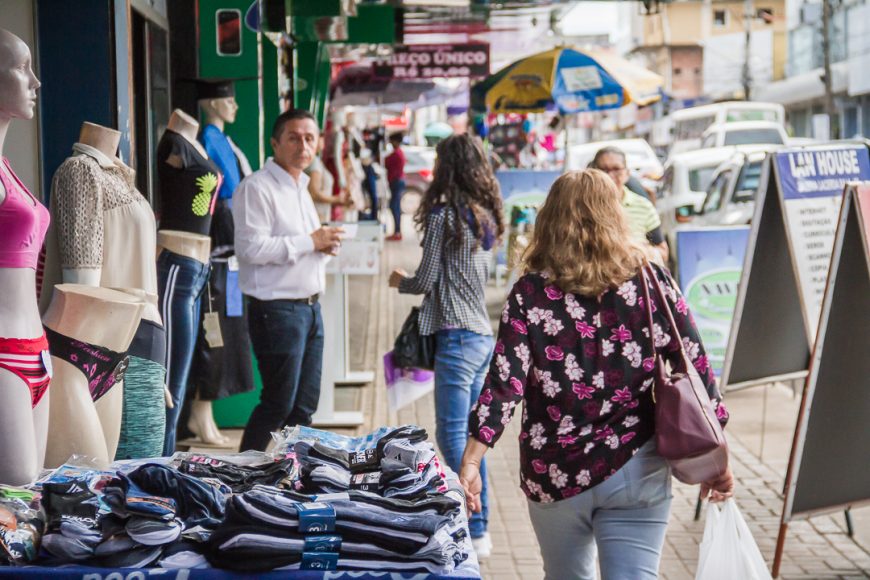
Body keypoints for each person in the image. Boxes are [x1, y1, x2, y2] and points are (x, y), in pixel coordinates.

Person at [457, 170, 733, 580]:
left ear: (550, 219)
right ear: (616, 216)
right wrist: (717, 457)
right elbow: (694, 363)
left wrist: (472, 460)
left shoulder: (530, 293)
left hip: (554, 470)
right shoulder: (650, 280)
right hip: (636, 464)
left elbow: (505, 381)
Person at [388, 134, 505, 557]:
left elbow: (424, 279)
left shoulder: (443, 217)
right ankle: (480, 525)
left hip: (455, 338)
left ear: (446, 168)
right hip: (481, 338)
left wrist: (399, 280)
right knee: (473, 438)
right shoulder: (486, 216)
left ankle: (473, 525)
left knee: (453, 435)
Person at [233, 109, 344, 452]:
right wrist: (311, 241)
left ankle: (286, 477)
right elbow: (251, 248)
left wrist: (323, 244)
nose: (303, 145)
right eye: (294, 137)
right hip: (276, 310)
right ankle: (241, 474)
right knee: (278, 404)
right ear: (275, 143)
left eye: (310, 138)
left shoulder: (301, 187)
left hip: (310, 309)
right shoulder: (257, 188)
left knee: (304, 407)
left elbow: (300, 243)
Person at [591, 146, 669, 263]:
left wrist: (638, 251)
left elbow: (663, 253)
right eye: (604, 170)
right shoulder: (586, 207)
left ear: (627, 173)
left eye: (616, 169)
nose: (610, 175)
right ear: (594, 173)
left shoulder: (643, 206)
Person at [305, 134, 339, 224]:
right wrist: (337, 200)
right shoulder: (314, 162)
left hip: (320, 215)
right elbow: (314, 193)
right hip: (316, 215)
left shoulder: (316, 161)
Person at [385, 132, 406, 241]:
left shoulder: (396, 154)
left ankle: (397, 232)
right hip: (398, 182)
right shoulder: (399, 153)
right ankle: (397, 231)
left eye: (392, 141)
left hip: (397, 182)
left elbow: (385, 161)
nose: (391, 143)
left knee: (395, 207)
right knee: (395, 207)